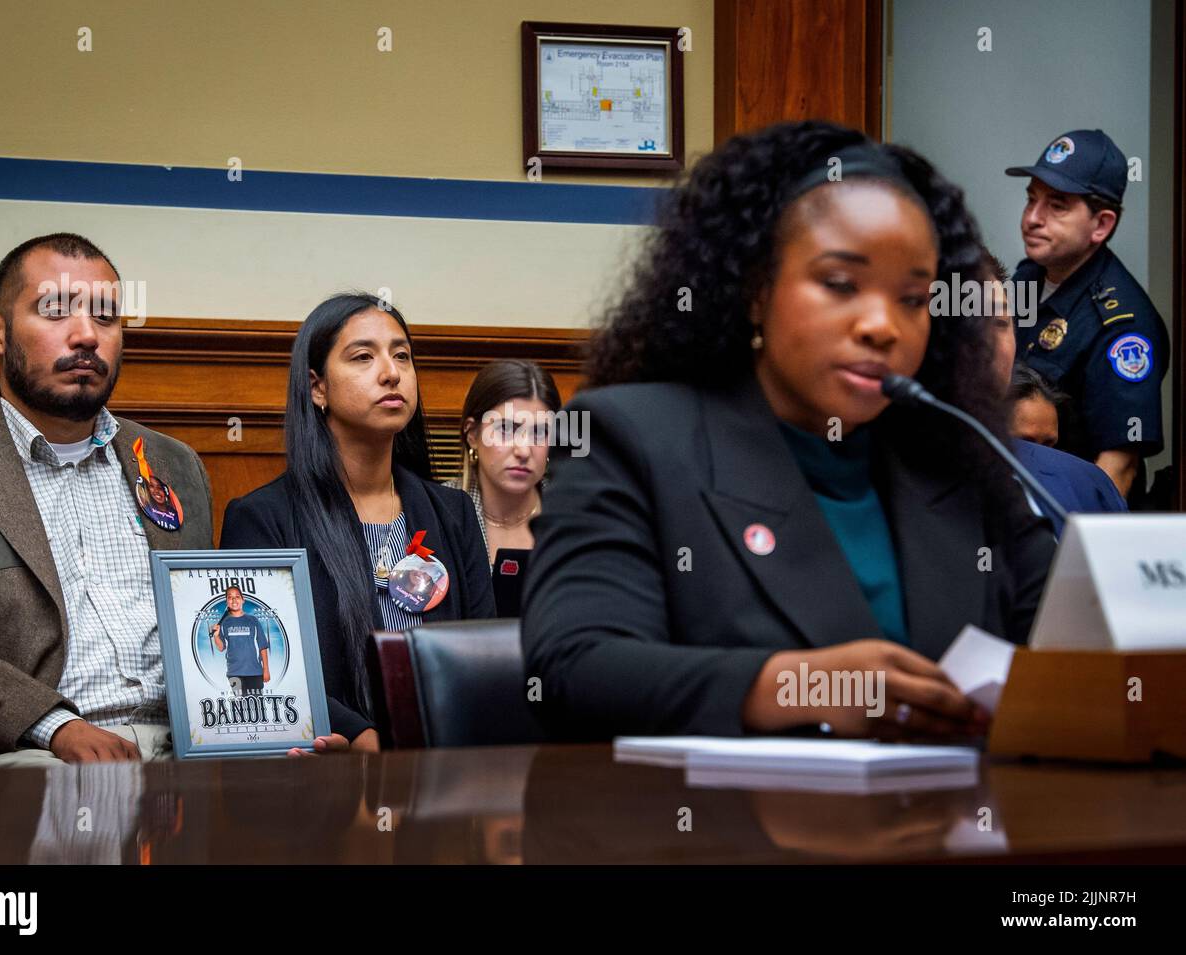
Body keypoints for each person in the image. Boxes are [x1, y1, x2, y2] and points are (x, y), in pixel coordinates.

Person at [522, 122, 1056, 741]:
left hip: (955, 825)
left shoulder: (957, 458)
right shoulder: (629, 437)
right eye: (839, 284)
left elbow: (1075, 646)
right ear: (755, 290)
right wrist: (807, 686)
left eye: (913, 298)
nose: (882, 325)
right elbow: (572, 670)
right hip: (709, 830)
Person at [0, 232, 215, 768]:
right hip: (26, 751)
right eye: (55, 311)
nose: (86, 335)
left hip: (188, 743)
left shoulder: (175, 465)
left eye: (106, 317)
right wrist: (53, 725)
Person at [221, 292, 495, 754]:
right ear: (317, 388)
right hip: (331, 771)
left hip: (450, 763)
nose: (391, 372)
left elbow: (484, 654)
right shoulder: (262, 518)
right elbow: (268, 665)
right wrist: (362, 734)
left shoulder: (453, 512)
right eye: (363, 357)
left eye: (402, 355)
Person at [1005, 129, 1169, 502]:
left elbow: (1117, 469)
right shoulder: (1028, 276)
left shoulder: (1123, 325)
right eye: (1031, 200)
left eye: (1057, 206)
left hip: (1062, 518)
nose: (1032, 218)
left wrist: (1069, 551)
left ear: (1101, 225)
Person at [980, 250, 1128, 535]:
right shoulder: (877, 482)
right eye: (960, 323)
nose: (984, 345)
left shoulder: (1085, 488)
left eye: (999, 323)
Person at [447, 360, 562, 564]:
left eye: (540, 432)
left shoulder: (572, 513)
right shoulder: (437, 512)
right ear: (473, 434)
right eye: (507, 429)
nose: (523, 451)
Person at [211, 586, 270, 695]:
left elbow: (262, 646)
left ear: (243, 600)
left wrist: (266, 669)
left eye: (237, 597)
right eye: (230, 597)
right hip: (234, 673)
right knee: (241, 706)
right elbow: (221, 647)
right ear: (227, 601)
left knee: (256, 706)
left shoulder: (253, 620)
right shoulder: (224, 623)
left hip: (254, 672)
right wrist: (216, 636)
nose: (234, 600)